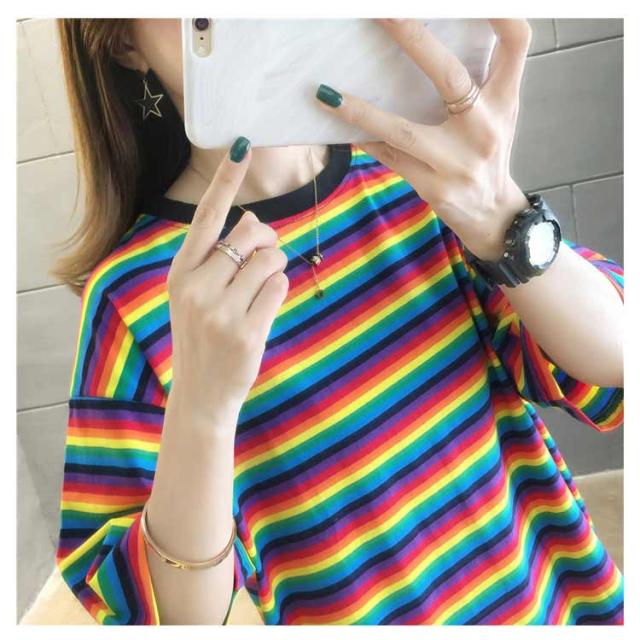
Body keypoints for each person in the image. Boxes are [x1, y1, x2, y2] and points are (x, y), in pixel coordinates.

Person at [51, 18, 624, 625]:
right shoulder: (134, 294)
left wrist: (499, 214)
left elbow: (615, 366)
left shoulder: (421, 181)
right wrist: (202, 412)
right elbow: (163, 618)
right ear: (123, 42)